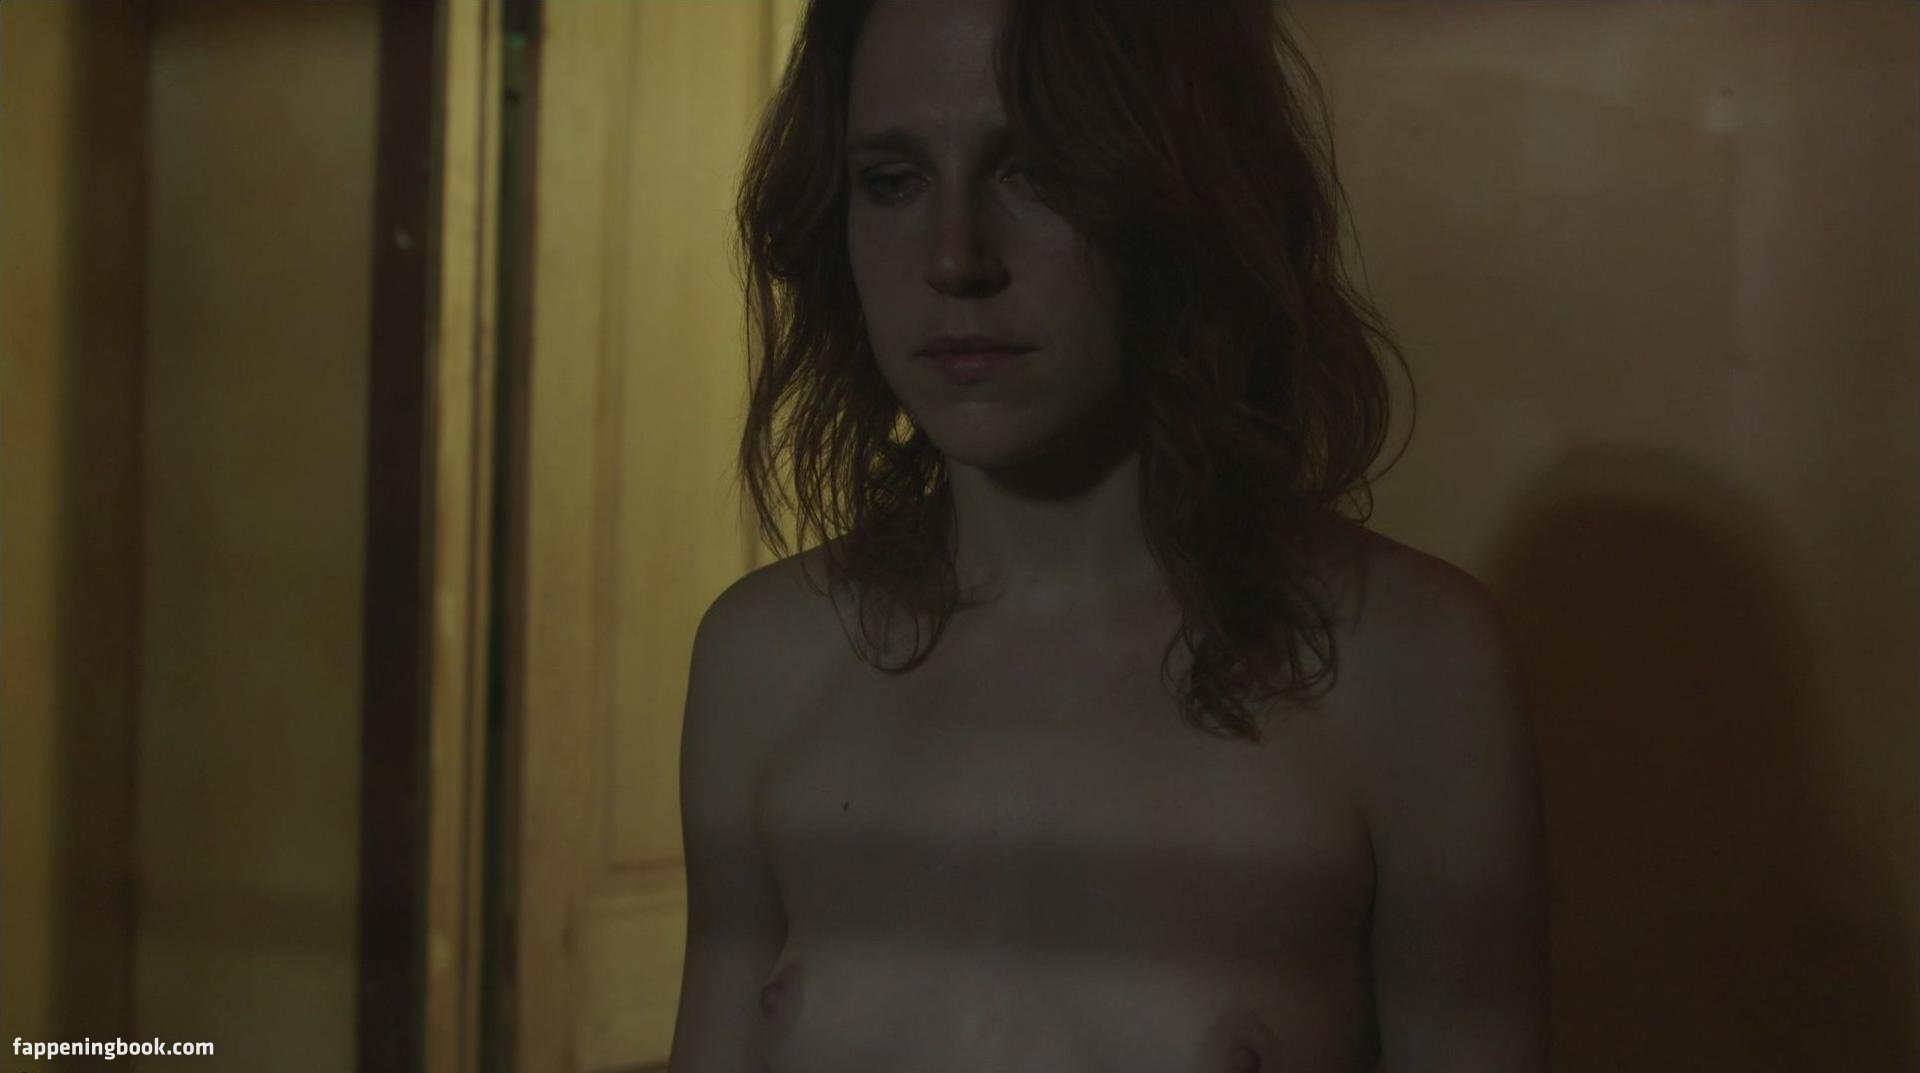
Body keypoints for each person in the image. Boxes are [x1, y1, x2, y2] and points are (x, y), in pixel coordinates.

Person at [671, 0, 1547, 1069]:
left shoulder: (1407, 664)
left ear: (1186, 191)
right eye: (894, 180)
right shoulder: (763, 662)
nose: (955, 257)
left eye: (1034, 171)